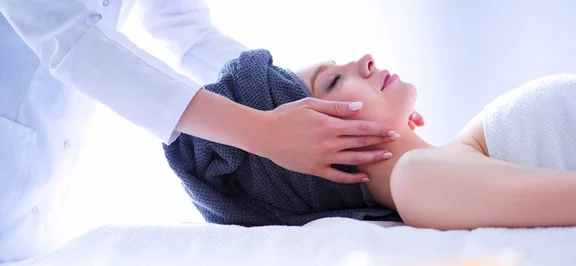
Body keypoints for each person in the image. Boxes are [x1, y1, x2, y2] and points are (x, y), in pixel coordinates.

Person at [0, 0, 423, 263]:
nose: (367, 63)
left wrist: (293, 107)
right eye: (331, 83)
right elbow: (72, 41)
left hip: (39, 190)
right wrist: (264, 130)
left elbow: (187, 33)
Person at [164, 47, 576, 230]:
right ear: (316, 151)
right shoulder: (416, 179)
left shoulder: (442, 165)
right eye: (333, 81)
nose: (366, 59)